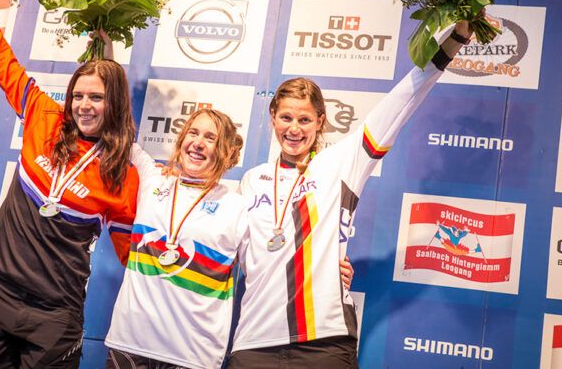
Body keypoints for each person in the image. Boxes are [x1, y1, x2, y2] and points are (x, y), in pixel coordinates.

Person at [229, 20, 478, 368]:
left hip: (323, 341)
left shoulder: (342, 162)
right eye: (286, 117)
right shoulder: (252, 180)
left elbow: (400, 102)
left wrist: (453, 40)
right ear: (273, 117)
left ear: (320, 122)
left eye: (305, 120)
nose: (294, 129)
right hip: (253, 342)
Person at [0, 0, 139, 367]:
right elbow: (2, 61)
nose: (84, 105)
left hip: (56, 313)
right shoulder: (44, 117)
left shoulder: (120, 173)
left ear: (114, 102)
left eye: (97, 97)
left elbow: (132, 255)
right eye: (78, 95)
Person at [104, 108, 247, 369]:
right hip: (130, 343)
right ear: (181, 139)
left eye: (211, 138)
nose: (198, 143)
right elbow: (115, 129)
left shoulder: (238, 207)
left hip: (192, 355)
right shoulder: (152, 178)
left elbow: (266, 268)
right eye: (193, 132)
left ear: (227, 152)